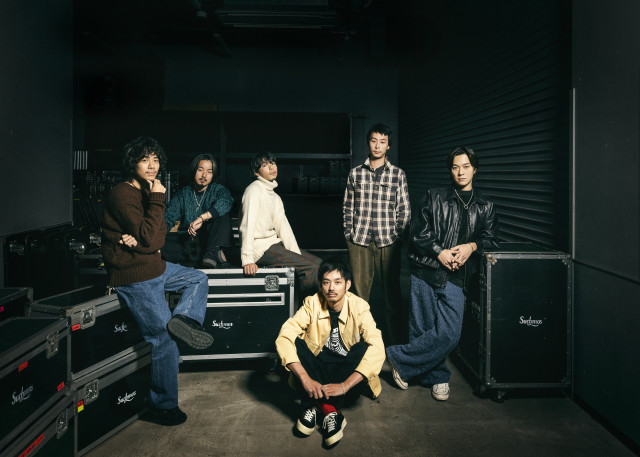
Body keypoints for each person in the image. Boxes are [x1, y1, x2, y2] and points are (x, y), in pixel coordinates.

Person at [101, 136, 213, 426]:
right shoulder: (123, 194)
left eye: (155, 159)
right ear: (132, 163)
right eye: (144, 160)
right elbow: (152, 238)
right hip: (135, 277)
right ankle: (162, 406)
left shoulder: (146, 191)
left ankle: (185, 320)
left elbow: (158, 235)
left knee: (198, 278)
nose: (152, 166)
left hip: (154, 266)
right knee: (164, 339)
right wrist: (156, 203)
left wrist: (142, 240)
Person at [386, 146, 499, 401]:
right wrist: (439, 252)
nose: (461, 172)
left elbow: (492, 239)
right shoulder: (434, 196)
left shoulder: (486, 206)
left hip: (457, 276)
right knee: (422, 328)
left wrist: (471, 247)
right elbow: (418, 232)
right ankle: (437, 377)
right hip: (426, 269)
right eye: (455, 167)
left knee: (449, 333)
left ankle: (399, 359)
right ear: (450, 170)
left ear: (475, 169)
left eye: (466, 166)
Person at [275, 258, 385, 448]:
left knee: (365, 347)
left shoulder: (359, 307)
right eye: (326, 282)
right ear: (321, 284)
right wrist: (305, 379)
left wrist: (344, 386)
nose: (331, 288)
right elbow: (285, 336)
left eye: (337, 282)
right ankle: (331, 412)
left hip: (344, 373)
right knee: (296, 342)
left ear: (347, 284)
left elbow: (377, 346)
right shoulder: (312, 303)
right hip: (315, 371)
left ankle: (311, 404)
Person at [343, 123, 411, 344]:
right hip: (359, 241)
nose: (377, 146)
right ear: (368, 143)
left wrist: (398, 238)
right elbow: (347, 207)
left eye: (382, 142)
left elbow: (404, 210)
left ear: (388, 146)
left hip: (388, 242)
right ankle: (358, 342)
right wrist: (349, 234)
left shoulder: (398, 175)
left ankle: (395, 346)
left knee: (392, 296)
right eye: (374, 141)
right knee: (359, 296)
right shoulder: (355, 173)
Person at [239, 151, 322, 298]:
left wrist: (296, 255)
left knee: (319, 264)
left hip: (273, 245)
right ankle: (306, 309)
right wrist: (247, 260)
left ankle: (313, 307)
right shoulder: (254, 190)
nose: (271, 167)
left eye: (273, 163)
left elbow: (284, 229)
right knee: (311, 267)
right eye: (265, 165)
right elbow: (247, 226)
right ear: (256, 172)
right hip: (260, 249)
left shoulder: (275, 197)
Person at [163, 154, 234, 268]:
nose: (204, 175)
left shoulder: (217, 190)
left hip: (211, 240)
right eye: (200, 170)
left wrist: (202, 218)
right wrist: (153, 238)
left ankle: (212, 253)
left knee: (222, 212)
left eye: (209, 172)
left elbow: (226, 201)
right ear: (194, 170)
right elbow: (168, 218)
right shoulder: (183, 194)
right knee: (162, 243)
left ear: (213, 175)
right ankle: (214, 255)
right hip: (190, 242)